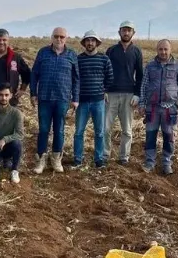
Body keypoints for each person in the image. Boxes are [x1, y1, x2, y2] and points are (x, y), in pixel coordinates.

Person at [30, 27, 79, 174]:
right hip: (44, 98)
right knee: (44, 129)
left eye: (62, 37)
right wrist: (33, 93)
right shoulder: (43, 53)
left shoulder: (71, 55)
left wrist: (75, 98)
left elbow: (76, 79)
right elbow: (34, 74)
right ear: (51, 37)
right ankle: (41, 160)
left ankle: (56, 158)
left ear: (66, 39)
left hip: (62, 98)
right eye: (56, 36)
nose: (59, 39)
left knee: (59, 130)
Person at [138, 39, 178, 174]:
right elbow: (143, 86)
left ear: (170, 50)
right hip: (152, 108)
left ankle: (167, 162)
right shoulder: (150, 66)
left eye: (166, 49)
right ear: (157, 50)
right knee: (150, 135)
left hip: (170, 108)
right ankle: (150, 162)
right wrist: (142, 104)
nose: (163, 52)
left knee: (169, 136)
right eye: (160, 49)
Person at [104, 20, 144, 165]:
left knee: (127, 130)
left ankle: (124, 156)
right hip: (111, 95)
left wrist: (137, 94)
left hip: (129, 95)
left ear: (133, 33)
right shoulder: (111, 50)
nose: (126, 33)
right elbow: (105, 72)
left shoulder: (137, 52)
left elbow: (140, 75)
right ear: (119, 32)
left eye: (129, 30)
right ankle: (104, 154)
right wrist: (105, 90)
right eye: (124, 30)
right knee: (106, 127)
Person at [73, 30, 113, 168]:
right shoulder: (78, 59)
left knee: (100, 132)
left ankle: (99, 159)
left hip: (98, 101)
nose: (90, 43)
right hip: (82, 101)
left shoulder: (104, 59)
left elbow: (110, 77)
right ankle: (78, 158)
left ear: (97, 43)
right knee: (79, 131)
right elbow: (75, 79)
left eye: (92, 40)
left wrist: (103, 91)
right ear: (84, 43)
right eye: (87, 40)